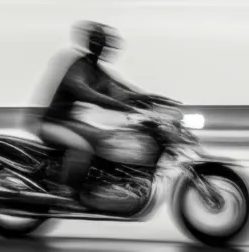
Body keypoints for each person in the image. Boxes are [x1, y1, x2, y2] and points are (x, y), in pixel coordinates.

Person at [33, 23, 175, 201]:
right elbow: (85, 92)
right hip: (52, 124)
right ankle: (67, 192)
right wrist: (124, 107)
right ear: (91, 43)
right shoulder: (79, 67)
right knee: (83, 148)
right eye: (99, 42)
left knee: (105, 139)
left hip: (70, 123)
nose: (102, 47)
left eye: (104, 43)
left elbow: (123, 92)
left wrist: (154, 99)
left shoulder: (97, 72)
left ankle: (98, 185)